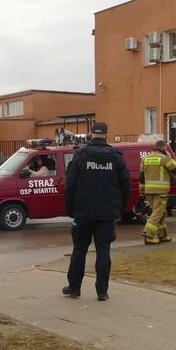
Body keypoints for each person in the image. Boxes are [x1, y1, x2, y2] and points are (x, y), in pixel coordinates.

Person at [63, 121, 129, 301]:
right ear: (106, 134)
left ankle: (74, 287)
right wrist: (120, 208)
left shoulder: (80, 156)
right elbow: (126, 185)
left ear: (91, 133)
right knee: (103, 250)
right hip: (107, 212)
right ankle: (102, 291)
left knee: (79, 250)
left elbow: (70, 186)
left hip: (83, 211)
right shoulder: (116, 157)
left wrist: (70, 209)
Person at [139, 139, 176, 244]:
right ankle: (148, 234)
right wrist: (170, 157)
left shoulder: (145, 158)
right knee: (158, 212)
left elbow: (141, 177)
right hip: (160, 191)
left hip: (148, 191)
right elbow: (175, 169)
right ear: (164, 148)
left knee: (160, 213)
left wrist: (141, 190)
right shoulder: (164, 158)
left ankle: (163, 235)